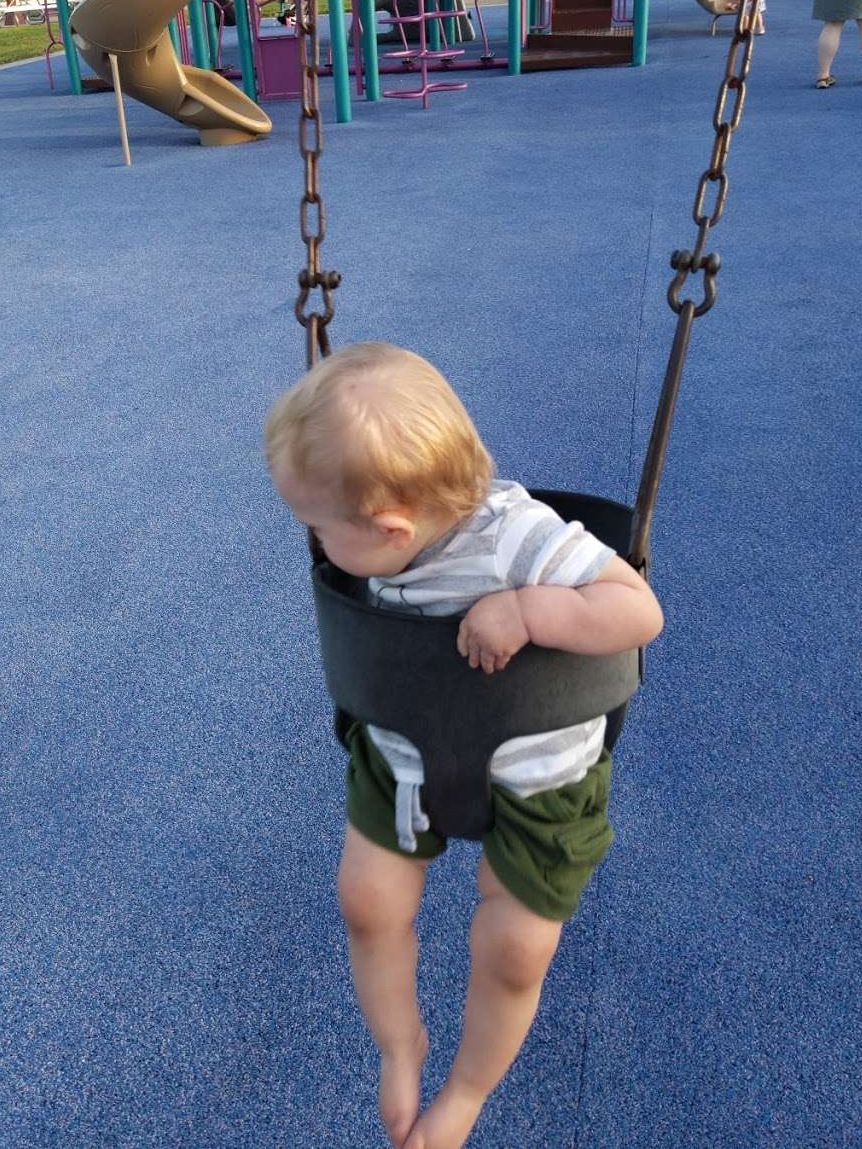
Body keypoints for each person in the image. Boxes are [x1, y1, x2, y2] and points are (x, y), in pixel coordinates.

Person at [265, 342, 664, 1149]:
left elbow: (638, 611)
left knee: (516, 946)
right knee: (367, 901)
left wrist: (529, 611)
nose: (310, 541)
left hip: (542, 780)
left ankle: (466, 1091)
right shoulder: (382, 531)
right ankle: (399, 1041)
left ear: (389, 528)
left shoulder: (519, 535)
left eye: (314, 526)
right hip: (405, 752)